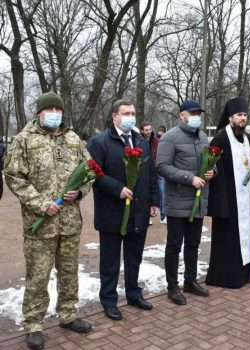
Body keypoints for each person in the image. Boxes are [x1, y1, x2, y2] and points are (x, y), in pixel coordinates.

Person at [4, 92, 92, 349]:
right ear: (39, 113)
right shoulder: (24, 140)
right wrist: (41, 205)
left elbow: (89, 171)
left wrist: (81, 193)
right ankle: (33, 325)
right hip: (39, 223)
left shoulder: (74, 139)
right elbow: (14, 177)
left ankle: (68, 314)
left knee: (68, 272)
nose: (55, 112)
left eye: (59, 108)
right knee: (38, 277)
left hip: (69, 222)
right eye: (50, 108)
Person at [87, 100, 160, 321]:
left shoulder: (141, 141)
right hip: (112, 211)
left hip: (138, 211)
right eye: (126, 113)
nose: (131, 117)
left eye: (133, 113)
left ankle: (133, 294)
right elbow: (94, 174)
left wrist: (154, 200)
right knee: (109, 261)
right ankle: (109, 300)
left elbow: (151, 173)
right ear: (114, 116)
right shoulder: (99, 142)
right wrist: (117, 188)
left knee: (134, 257)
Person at [156, 99, 213, 305]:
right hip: (178, 200)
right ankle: (172, 286)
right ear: (182, 115)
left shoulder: (203, 137)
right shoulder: (170, 137)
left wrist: (211, 171)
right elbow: (162, 166)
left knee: (193, 244)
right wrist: (189, 178)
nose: (196, 116)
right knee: (174, 245)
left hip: (198, 202)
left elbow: (211, 162)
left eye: (199, 113)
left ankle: (190, 280)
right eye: (192, 113)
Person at [206, 97, 250, 288]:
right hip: (229, 198)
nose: (243, 118)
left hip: (246, 198)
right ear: (230, 117)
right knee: (229, 238)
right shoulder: (221, 138)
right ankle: (228, 276)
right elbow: (213, 167)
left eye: (245, 115)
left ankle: (247, 271)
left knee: (248, 234)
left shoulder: (247, 138)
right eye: (239, 115)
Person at [140, 121, 164, 224]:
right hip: (145, 171)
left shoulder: (157, 141)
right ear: (142, 130)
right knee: (146, 193)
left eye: (150, 129)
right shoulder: (138, 141)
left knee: (162, 192)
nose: (149, 132)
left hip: (158, 170)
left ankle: (164, 216)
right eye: (146, 130)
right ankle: (147, 216)